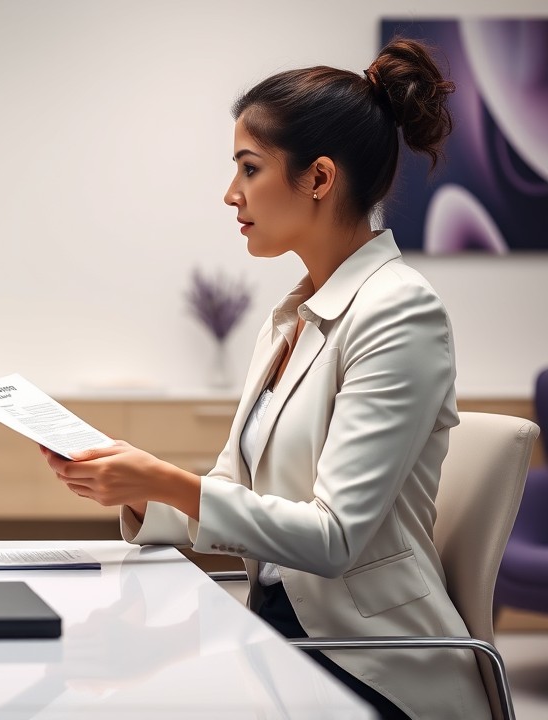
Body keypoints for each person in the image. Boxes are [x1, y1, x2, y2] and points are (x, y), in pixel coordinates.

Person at [43, 40, 487, 720]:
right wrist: (137, 488)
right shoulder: (290, 319)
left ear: (318, 179)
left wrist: (161, 478)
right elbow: (234, 493)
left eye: (249, 169)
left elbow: (334, 538)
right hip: (283, 642)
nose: (231, 194)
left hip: (371, 664)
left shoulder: (400, 311)